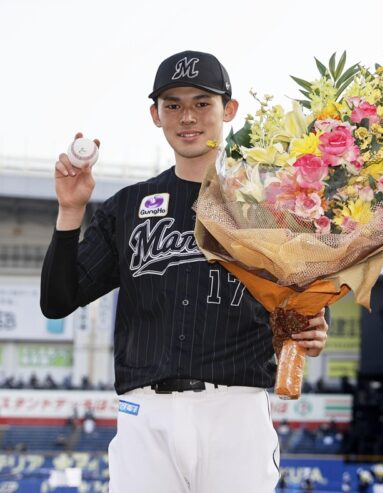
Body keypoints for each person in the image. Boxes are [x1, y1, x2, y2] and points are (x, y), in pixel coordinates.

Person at [40, 50, 329, 492]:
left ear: (228, 110)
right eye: (172, 105)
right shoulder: (129, 207)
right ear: (156, 115)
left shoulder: (271, 205)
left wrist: (310, 322)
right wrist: (70, 211)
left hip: (236, 409)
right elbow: (57, 302)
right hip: (145, 413)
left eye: (202, 103)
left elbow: (296, 305)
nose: (187, 117)